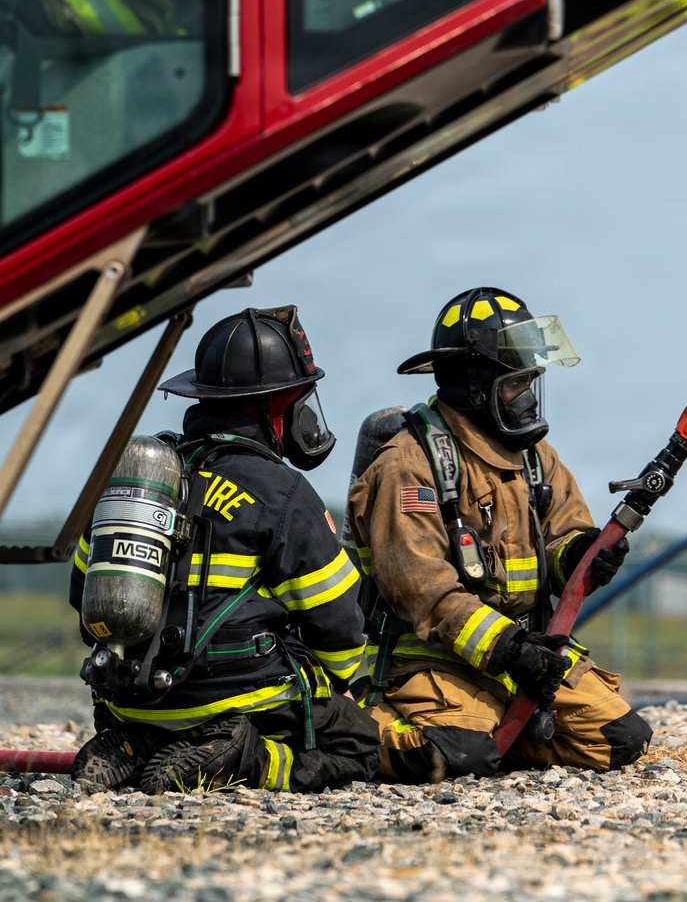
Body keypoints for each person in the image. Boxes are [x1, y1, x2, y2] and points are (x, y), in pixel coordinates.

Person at [70, 306, 380, 792]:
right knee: (357, 744)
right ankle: (242, 758)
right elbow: (337, 624)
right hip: (233, 701)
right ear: (274, 406)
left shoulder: (141, 480)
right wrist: (338, 682)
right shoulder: (282, 491)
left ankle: (139, 742)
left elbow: (82, 595)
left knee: (159, 717)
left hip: (129, 698)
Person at [347, 287, 651, 782]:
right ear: (473, 385)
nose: (527, 397)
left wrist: (580, 555)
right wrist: (510, 650)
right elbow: (424, 591)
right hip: (439, 661)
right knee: (451, 759)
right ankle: (352, 731)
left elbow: (564, 533)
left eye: (531, 381)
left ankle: (491, 734)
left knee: (619, 740)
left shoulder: (535, 458)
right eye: (516, 384)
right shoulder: (409, 464)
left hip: (528, 656)